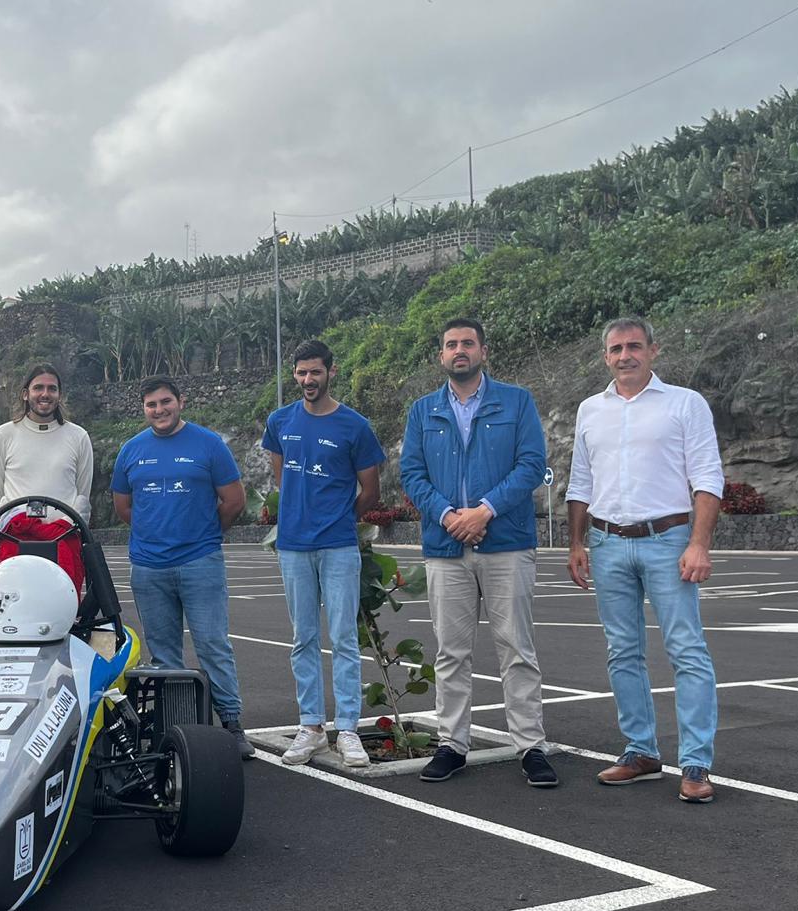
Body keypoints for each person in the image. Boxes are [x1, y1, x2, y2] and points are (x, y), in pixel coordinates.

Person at [566, 317, 725, 804]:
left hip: (669, 539)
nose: (625, 355)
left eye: (634, 346)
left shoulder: (685, 403)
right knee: (622, 652)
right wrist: (576, 544)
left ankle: (696, 763)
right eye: (616, 349)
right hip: (608, 542)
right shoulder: (590, 409)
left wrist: (698, 544)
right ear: (605, 357)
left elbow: (707, 477)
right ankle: (641, 752)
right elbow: (579, 483)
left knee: (686, 650)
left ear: (654, 351)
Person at [400, 318, 557, 787]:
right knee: (451, 653)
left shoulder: (516, 401)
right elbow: (412, 475)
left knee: (517, 649)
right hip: (446, 547)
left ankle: (530, 745)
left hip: (506, 543)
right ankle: (452, 744)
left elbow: (532, 465)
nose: (459, 350)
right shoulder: (423, 411)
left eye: (467, 343)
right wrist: (450, 516)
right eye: (451, 345)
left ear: (483, 351)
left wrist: (484, 511)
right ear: (441, 357)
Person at [112, 377, 251, 758]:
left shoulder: (209, 444)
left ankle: (232, 723)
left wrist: (203, 534)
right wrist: (156, 535)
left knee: (212, 644)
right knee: (164, 655)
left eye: (166, 402)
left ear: (181, 402)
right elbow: (125, 507)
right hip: (149, 567)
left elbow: (233, 500)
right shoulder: (131, 450)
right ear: (144, 409)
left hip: (200, 562)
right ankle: (176, 729)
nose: (160, 410)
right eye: (152, 405)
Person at [262, 340, 384, 767]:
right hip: (294, 547)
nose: (308, 380)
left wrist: (337, 518)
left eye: (315, 372)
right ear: (293, 375)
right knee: (304, 638)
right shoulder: (279, 422)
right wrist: (300, 515)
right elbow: (282, 478)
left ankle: (347, 728)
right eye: (301, 373)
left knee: (345, 639)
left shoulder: (355, 426)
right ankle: (311, 726)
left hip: (339, 546)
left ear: (331, 371)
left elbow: (371, 491)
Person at [0, 362, 93, 522]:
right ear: (25, 394)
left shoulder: (79, 436)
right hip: (15, 536)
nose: (45, 394)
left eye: (52, 389)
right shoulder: (3, 435)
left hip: (64, 537)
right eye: (38, 388)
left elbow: (82, 494)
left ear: (60, 395)